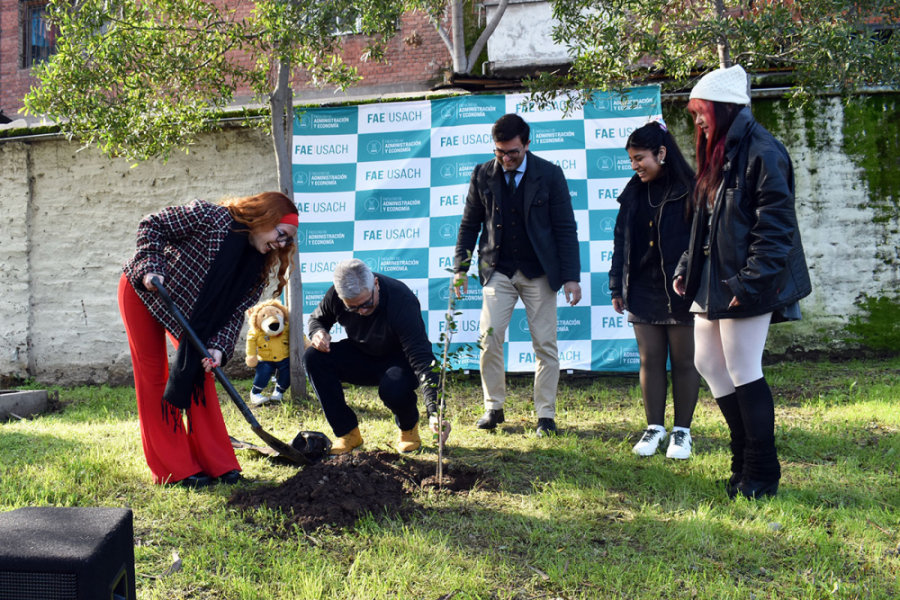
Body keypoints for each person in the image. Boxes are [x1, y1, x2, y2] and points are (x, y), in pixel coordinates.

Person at [674, 64, 812, 499]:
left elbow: (775, 230)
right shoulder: (721, 153)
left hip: (748, 283)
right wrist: (684, 267)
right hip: (714, 281)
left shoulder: (764, 151)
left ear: (725, 108)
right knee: (709, 365)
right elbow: (705, 223)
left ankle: (762, 474)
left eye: (702, 111)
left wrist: (748, 284)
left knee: (743, 370)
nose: (696, 120)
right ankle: (742, 460)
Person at [118, 192, 299, 488]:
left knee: (202, 374)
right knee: (153, 376)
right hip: (146, 292)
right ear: (264, 216)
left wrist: (218, 348)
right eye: (281, 234)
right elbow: (152, 225)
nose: (281, 245)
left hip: (191, 314)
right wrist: (151, 266)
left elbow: (234, 314)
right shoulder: (211, 217)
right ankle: (173, 468)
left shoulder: (257, 268)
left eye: (287, 241)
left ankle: (218, 463)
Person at [454, 113, 581, 437]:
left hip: (540, 272)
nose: (506, 158)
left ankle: (545, 416)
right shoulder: (483, 174)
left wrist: (571, 276)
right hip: (497, 270)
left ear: (526, 143)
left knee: (545, 345)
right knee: (489, 339)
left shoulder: (550, 174)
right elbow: (469, 225)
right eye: (500, 152)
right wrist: (460, 269)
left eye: (513, 152)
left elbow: (565, 228)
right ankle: (493, 408)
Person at [609, 121, 701, 459]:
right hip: (643, 287)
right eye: (631, 160)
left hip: (680, 288)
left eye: (640, 158)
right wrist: (616, 284)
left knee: (684, 362)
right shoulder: (633, 192)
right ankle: (654, 429)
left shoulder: (691, 188)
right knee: (649, 359)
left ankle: (682, 432)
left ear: (661, 153)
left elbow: (700, 243)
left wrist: (690, 280)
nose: (635, 166)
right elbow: (621, 241)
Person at [303, 259, 449, 454]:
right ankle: (348, 433)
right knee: (313, 357)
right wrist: (318, 332)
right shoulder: (336, 295)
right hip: (362, 355)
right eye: (353, 308)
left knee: (394, 388)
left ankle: (408, 429)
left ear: (376, 285)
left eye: (367, 304)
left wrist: (435, 410)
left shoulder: (401, 300)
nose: (362, 312)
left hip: (399, 360)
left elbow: (422, 358)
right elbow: (317, 319)